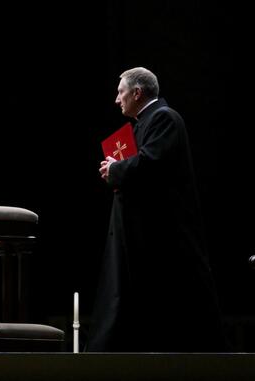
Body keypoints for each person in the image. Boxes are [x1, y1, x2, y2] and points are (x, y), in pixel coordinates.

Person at [89, 67, 226, 352]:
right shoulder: (143, 123)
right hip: (140, 235)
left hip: (163, 238)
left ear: (137, 93)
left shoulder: (165, 118)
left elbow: (150, 163)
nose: (117, 100)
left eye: (121, 92)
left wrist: (116, 168)